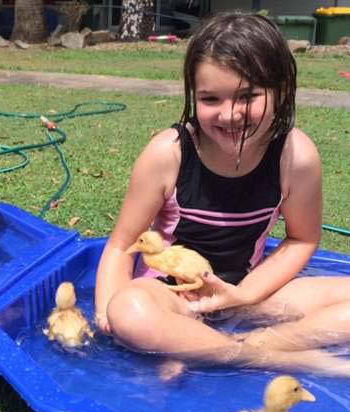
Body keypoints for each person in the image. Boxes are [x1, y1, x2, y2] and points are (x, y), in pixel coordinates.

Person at [94, 13, 350, 378]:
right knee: (129, 310)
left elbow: (302, 238)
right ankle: (279, 360)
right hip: (173, 299)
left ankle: (257, 344)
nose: (230, 115)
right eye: (211, 98)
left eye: (248, 96)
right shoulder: (169, 154)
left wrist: (243, 295)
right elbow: (122, 244)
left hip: (248, 294)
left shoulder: (296, 156)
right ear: (193, 95)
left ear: (281, 89)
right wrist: (108, 312)